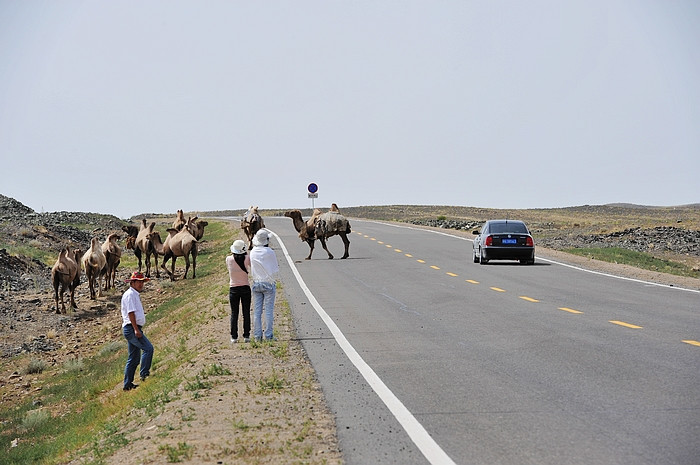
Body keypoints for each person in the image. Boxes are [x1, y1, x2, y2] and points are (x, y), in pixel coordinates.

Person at [121, 271, 154, 391]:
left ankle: (127, 384)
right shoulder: (130, 295)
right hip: (131, 328)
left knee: (134, 358)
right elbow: (131, 313)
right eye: (139, 282)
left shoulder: (134, 294)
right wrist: (136, 329)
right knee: (148, 348)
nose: (141, 284)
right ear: (132, 282)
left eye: (142, 282)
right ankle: (144, 374)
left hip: (133, 328)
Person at [249, 228, 279, 342]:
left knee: (257, 311)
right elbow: (275, 269)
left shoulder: (252, 252)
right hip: (268, 283)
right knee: (269, 310)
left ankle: (257, 336)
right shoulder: (270, 252)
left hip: (256, 283)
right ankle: (269, 335)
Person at [226, 239, 251, 343]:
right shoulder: (247, 258)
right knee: (246, 312)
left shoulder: (228, 259)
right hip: (245, 287)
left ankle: (234, 336)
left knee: (234, 313)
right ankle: (246, 336)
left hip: (233, 288)